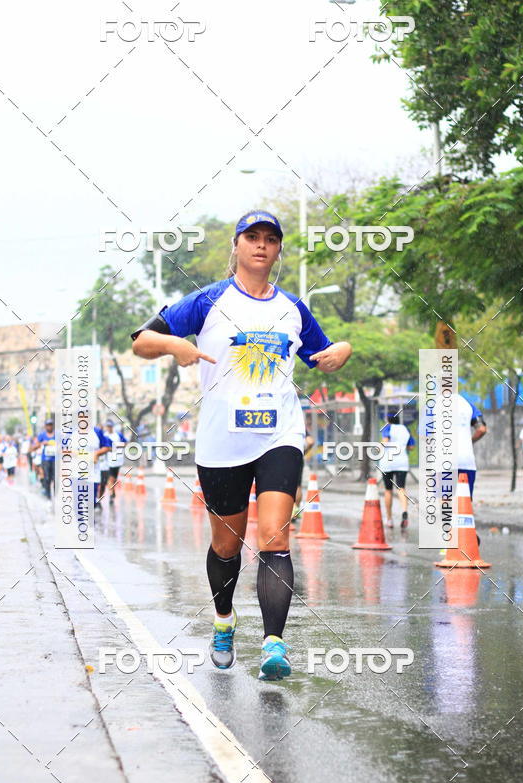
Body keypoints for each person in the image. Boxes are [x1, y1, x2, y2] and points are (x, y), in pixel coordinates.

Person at [131, 210, 352, 681]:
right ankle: (224, 620)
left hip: (279, 436)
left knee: (275, 536)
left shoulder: (293, 308)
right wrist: (175, 347)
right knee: (226, 546)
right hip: (221, 442)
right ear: (236, 245)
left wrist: (342, 351)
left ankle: (274, 644)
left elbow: (322, 355)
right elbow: (141, 340)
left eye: (270, 239)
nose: (261, 245)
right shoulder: (208, 300)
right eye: (252, 237)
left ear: (277, 250)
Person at [379, 413, 415, 529]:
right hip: (402, 462)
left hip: (387, 462)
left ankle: (389, 519)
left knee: (388, 490)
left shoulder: (387, 427)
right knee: (401, 488)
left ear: (388, 420)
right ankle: (404, 511)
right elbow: (411, 447)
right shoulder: (406, 429)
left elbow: (385, 441)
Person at [456, 394, 487, 497]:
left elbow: (424, 435)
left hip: (443, 462)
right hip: (466, 461)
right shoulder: (467, 405)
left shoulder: (433, 406)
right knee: (464, 503)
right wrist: (470, 441)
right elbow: (481, 429)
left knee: (445, 504)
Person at [102, 419, 127, 502]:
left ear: (112, 427)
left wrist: (117, 445)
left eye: (110, 426)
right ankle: (111, 493)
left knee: (114, 478)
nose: (109, 428)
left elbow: (126, 443)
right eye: (107, 426)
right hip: (107, 460)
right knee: (110, 478)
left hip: (117, 460)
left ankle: (113, 491)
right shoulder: (104, 435)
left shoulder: (118, 435)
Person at [33, 419, 57, 499]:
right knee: (47, 477)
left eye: (51, 425)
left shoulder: (57, 435)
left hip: (55, 460)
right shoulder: (42, 435)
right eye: (48, 425)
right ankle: (48, 494)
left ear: (52, 426)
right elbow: (35, 446)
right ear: (45, 426)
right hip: (45, 459)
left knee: (55, 478)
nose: (49, 427)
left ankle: (55, 494)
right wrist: (42, 443)